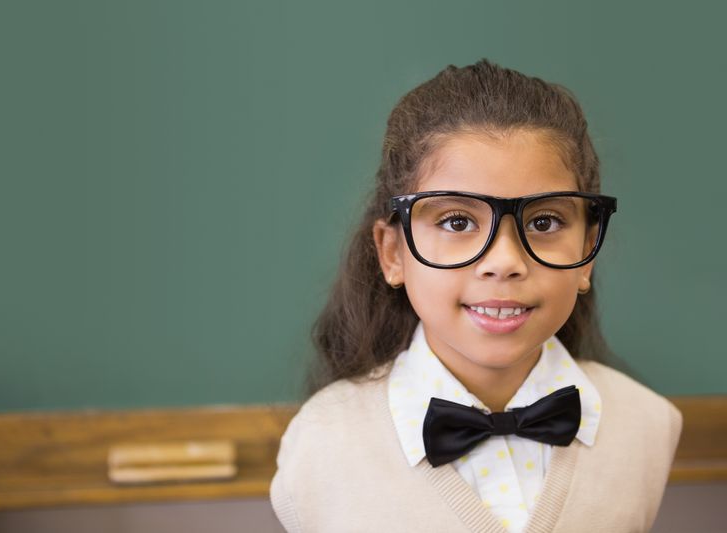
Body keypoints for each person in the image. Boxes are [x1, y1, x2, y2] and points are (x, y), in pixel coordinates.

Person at [269, 58, 683, 533]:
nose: (503, 261)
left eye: (543, 222)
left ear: (588, 251)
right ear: (393, 254)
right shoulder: (323, 443)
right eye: (457, 222)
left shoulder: (645, 422)